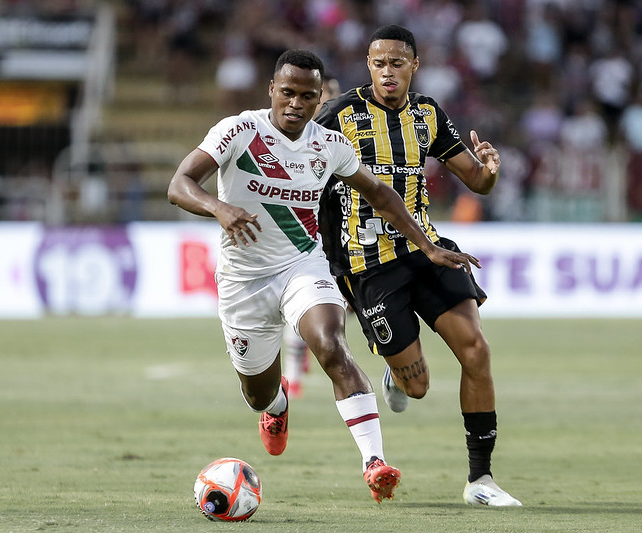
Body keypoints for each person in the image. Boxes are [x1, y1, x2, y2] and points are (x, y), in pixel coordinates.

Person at [167, 49, 478, 503]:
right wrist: (219, 208)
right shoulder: (238, 130)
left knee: (331, 343)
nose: (295, 103)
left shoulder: (329, 145)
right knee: (257, 392)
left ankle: (374, 462)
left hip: (302, 265)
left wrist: (428, 246)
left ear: (319, 100)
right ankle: (275, 407)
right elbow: (179, 185)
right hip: (243, 280)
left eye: (307, 96)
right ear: (272, 90)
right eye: (287, 92)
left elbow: (382, 196)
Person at [314, 25, 522, 507]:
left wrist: (489, 172)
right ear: (369, 66)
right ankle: (397, 371)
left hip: (429, 249)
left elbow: (476, 180)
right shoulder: (338, 115)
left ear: (414, 66)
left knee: (477, 350)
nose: (388, 72)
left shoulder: (428, 114)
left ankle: (480, 481)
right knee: (419, 387)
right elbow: (308, 183)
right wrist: (331, 262)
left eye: (397, 63)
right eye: (379, 63)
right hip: (370, 265)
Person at [282, 74, 342, 399]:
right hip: (306, 236)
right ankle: (292, 375)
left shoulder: (341, 140)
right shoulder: (291, 137)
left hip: (342, 234)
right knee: (300, 298)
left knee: (343, 307)